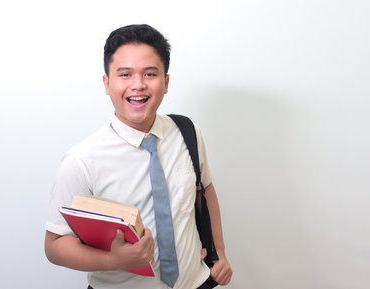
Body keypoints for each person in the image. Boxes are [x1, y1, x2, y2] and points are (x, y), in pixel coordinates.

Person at [44, 24, 232, 289]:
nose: (138, 85)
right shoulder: (82, 160)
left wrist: (219, 252)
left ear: (166, 82)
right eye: (125, 74)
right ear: (107, 84)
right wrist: (115, 259)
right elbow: (54, 246)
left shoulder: (187, 132)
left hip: (195, 283)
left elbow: (204, 190)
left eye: (150, 74)